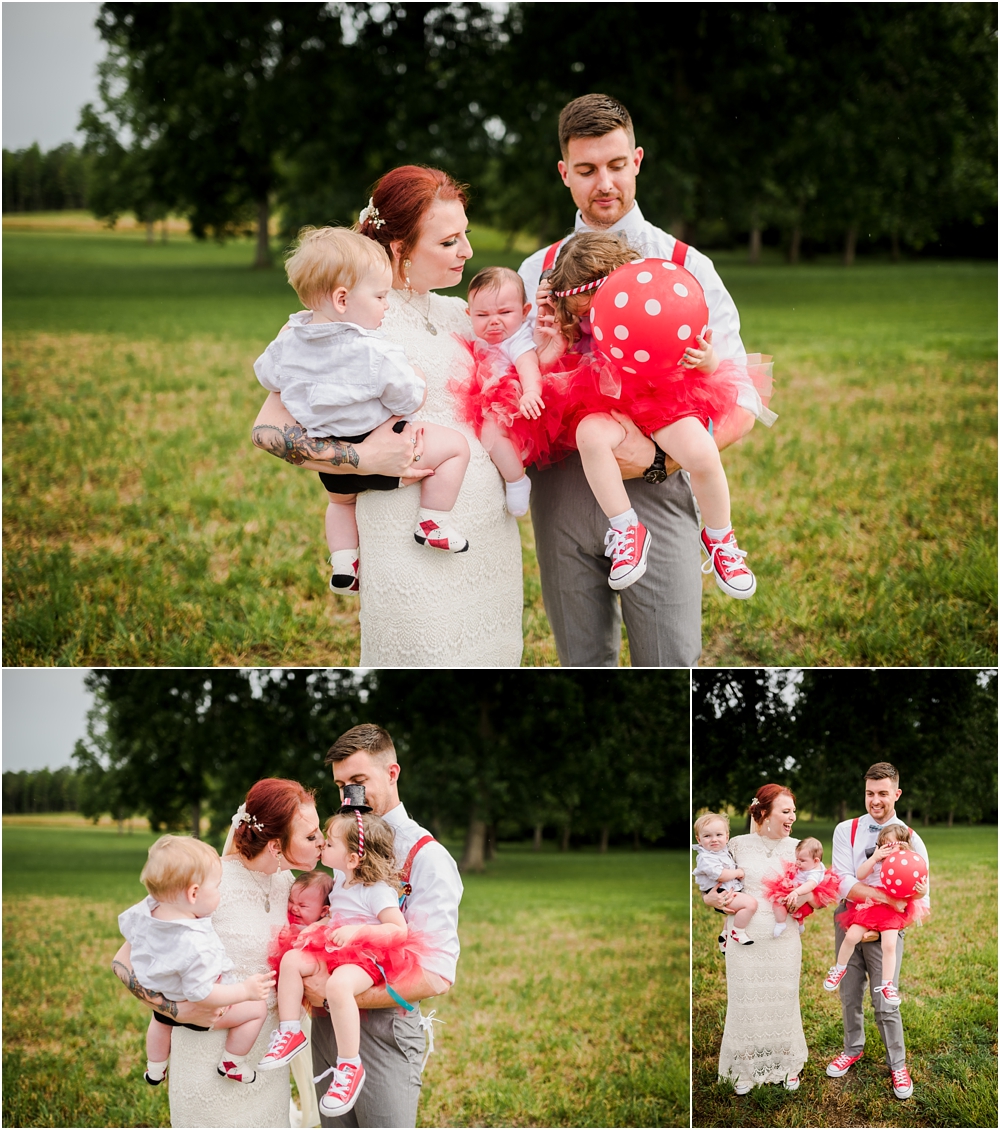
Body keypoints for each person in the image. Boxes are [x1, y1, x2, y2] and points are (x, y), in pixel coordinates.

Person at [519, 93, 757, 665]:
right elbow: (509, 387)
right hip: (563, 486)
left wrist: (658, 459)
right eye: (586, 170)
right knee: (583, 662)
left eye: (616, 165)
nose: (604, 183)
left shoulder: (688, 266)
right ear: (564, 174)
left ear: (638, 160)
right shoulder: (535, 272)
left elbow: (742, 397)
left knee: (670, 661)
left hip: (661, 481)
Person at [252, 167, 523, 666]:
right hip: (406, 537)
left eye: (465, 235)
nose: (467, 251)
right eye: (449, 241)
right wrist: (361, 455)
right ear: (399, 248)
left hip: (486, 537)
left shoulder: (455, 313)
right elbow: (268, 431)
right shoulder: (349, 320)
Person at [537, 232, 774, 594]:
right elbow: (557, 369)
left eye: (595, 308)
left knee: (702, 453)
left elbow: (710, 359)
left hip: (662, 396)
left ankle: (720, 538)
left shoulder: (658, 301)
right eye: (583, 313)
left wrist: (707, 359)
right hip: (606, 401)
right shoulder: (575, 321)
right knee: (589, 435)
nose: (590, 319)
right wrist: (554, 323)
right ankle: (626, 526)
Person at [255, 226, 472, 593]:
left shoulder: (288, 339)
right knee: (455, 448)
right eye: (379, 296)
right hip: (385, 444)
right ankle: (432, 522)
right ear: (343, 299)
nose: (385, 305)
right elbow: (406, 398)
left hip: (329, 454)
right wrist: (416, 377)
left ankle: (344, 563)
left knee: (340, 506)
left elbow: (266, 375)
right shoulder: (373, 350)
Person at [111, 778, 325, 1128]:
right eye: (311, 836)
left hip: (262, 1062)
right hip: (205, 1056)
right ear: (275, 845)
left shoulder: (290, 887)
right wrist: (175, 1010)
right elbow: (122, 962)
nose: (322, 842)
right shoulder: (207, 881)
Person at [307, 723, 463, 1129]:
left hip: (384, 1029)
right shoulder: (344, 841)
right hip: (327, 1031)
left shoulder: (427, 857)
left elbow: (437, 974)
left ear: (392, 774)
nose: (349, 796)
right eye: (341, 786)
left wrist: (337, 994)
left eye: (358, 782)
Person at [260, 809, 430, 1120]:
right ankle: (290, 1031)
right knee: (292, 959)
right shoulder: (341, 882)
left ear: (352, 858)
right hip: (335, 948)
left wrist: (359, 931)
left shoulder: (376, 890)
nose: (323, 844)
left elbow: (397, 929)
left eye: (331, 843)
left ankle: (350, 1065)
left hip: (366, 957)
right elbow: (336, 914)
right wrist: (319, 924)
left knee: (338, 986)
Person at [118, 835, 275, 1087]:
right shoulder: (196, 943)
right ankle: (232, 1062)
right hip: (199, 1011)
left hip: (161, 996)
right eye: (216, 887)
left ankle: (155, 1068)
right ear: (193, 893)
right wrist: (244, 990)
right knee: (257, 1010)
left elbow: (128, 929)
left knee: (159, 1021)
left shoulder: (149, 910)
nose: (219, 894)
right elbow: (201, 993)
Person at [826, 762, 930, 1100]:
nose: (875, 800)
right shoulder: (847, 829)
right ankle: (852, 1047)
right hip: (851, 918)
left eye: (883, 793)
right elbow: (842, 882)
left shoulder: (912, 837)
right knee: (849, 993)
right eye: (870, 793)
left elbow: (922, 894)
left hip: (890, 922)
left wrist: (895, 909)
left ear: (896, 794)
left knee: (886, 997)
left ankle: (897, 1064)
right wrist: (879, 900)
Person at [703, 785, 807, 1094]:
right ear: (763, 813)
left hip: (782, 936)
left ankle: (787, 1065)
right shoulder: (736, 844)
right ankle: (745, 1068)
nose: (792, 817)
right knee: (745, 1001)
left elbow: (814, 888)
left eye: (793, 811)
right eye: (785, 812)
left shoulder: (799, 846)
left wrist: (801, 900)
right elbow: (711, 884)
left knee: (784, 999)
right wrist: (713, 901)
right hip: (744, 938)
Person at [450, 266, 546, 517]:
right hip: (483, 400)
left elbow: (529, 367)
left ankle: (516, 480)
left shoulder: (517, 339)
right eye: (482, 314)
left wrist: (530, 393)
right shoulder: (478, 336)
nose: (494, 321)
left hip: (511, 403)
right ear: (469, 314)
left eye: (505, 312)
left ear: (525, 312)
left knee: (492, 436)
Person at [824, 825, 926, 1007]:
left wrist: (922, 891)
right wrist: (875, 857)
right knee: (851, 936)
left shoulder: (908, 863)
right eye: (883, 845)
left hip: (892, 910)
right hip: (872, 905)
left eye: (892, 845)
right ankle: (839, 969)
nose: (887, 849)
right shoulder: (878, 862)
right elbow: (860, 874)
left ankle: (887, 985)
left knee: (889, 945)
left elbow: (915, 893)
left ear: (903, 846)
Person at [691, 811, 757, 948]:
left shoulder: (724, 850)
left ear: (727, 837)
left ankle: (725, 934)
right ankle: (737, 932)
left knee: (736, 910)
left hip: (728, 888)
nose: (714, 839)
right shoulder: (705, 857)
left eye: (718, 835)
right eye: (707, 836)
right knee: (750, 904)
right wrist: (738, 872)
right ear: (699, 840)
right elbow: (721, 875)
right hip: (720, 892)